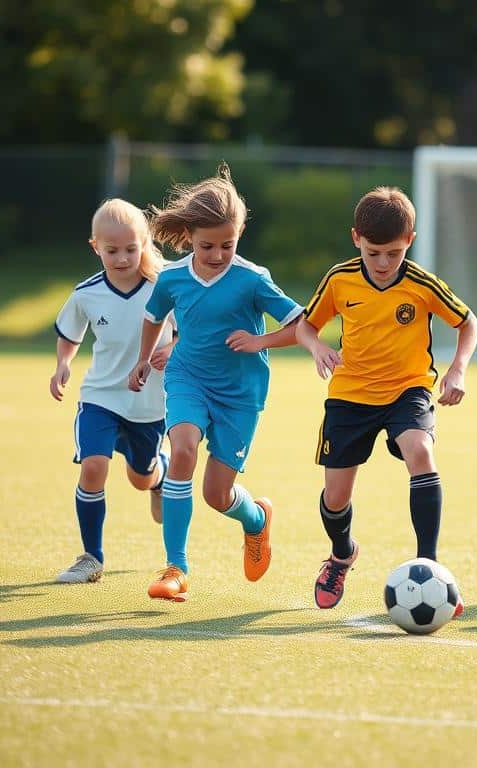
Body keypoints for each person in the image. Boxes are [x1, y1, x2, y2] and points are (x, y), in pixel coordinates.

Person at [295, 186, 477, 611]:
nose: (382, 263)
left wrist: (457, 369)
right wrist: (317, 346)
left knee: (420, 452)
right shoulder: (339, 279)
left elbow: (469, 323)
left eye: (394, 253)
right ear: (356, 237)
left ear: (409, 242)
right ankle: (342, 553)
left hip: (407, 389)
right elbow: (307, 325)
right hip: (350, 394)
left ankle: (429, 570)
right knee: (336, 497)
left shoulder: (421, 283)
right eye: (374, 252)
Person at [128, 164, 302, 602]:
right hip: (187, 377)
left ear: (240, 235)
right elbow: (153, 317)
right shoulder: (171, 279)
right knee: (181, 450)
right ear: (188, 235)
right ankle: (176, 569)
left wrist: (260, 339)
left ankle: (256, 520)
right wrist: (145, 360)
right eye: (207, 245)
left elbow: (301, 324)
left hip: (240, 396)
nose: (218, 254)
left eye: (228, 244)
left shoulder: (252, 279)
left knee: (216, 493)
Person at [51, 199, 175, 584]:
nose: (122, 259)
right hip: (100, 397)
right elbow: (70, 333)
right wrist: (63, 364)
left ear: (145, 242)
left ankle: (160, 475)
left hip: (149, 405)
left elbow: (194, 325)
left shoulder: (166, 286)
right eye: (112, 251)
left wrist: (173, 348)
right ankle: (91, 557)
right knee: (93, 467)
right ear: (95, 247)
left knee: (140, 478)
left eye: (131, 249)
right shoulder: (87, 293)